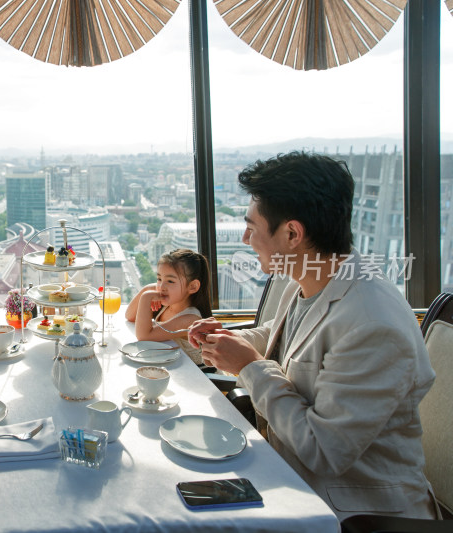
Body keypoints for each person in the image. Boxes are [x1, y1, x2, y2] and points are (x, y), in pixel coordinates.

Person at [188, 151, 438, 520]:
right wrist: (227, 340)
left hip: (353, 512)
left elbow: (325, 452)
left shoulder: (374, 324)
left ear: (292, 233)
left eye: (252, 226)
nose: (245, 237)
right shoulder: (309, 276)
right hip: (288, 470)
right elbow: (285, 336)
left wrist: (249, 367)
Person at [125, 249, 212, 364]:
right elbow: (130, 316)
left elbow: (144, 336)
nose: (161, 286)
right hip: (174, 366)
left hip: (197, 376)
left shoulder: (190, 319)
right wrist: (148, 289)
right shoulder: (170, 303)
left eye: (170, 281)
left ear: (192, 286)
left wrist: (146, 297)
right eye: (159, 279)